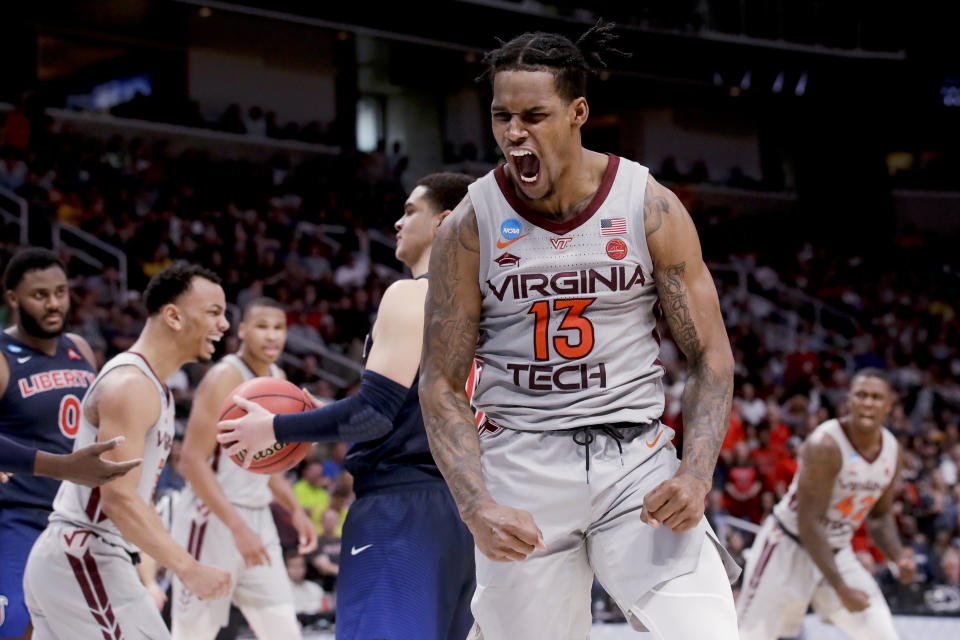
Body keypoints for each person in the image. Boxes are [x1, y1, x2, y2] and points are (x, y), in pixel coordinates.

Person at [416, 22, 740, 640]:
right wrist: (475, 503)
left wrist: (696, 475)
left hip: (635, 463)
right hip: (520, 466)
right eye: (501, 116)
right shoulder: (469, 225)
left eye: (533, 115)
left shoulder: (649, 206)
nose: (514, 133)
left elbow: (709, 359)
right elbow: (439, 382)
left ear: (577, 112)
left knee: (707, 631)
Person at [218, 172, 477, 640]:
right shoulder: (488, 305)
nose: (398, 223)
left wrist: (277, 427)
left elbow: (372, 414)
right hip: (469, 514)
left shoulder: (412, 293)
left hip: (402, 512)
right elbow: (413, 407)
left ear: (443, 223)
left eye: (410, 211)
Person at [22, 262, 233, 639]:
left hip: (81, 556)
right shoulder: (132, 386)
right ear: (172, 315)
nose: (224, 325)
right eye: (214, 313)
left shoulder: (156, 390)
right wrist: (187, 568)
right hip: (84, 553)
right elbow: (118, 500)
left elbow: (136, 500)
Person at [171, 297, 317, 640]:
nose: (271, 336)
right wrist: (237, 527)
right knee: (192, 634)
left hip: (258, 518)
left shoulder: (279, 378)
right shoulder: (225, 376)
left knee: (284, 630)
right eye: (262, 326)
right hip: (213, 518)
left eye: (278, 328)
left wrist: (295, 509)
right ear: (241, 331)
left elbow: (267, 466)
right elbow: (191, 462)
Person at [737, 369, 916, 640]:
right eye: (862, 395)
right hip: (787, 547)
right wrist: (841, 589)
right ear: (850, 401)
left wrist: (898, 557)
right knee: (748, 636)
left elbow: (880, 517)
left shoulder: (892, 450)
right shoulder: (826, 444)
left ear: (890, 404)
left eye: (877, 397)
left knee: (882, 633)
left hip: (835, 552)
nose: (868, 402)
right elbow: (809, 524)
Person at [0, 247, 111, 640]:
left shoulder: (78, 348)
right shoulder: (3, 356)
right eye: (40, 294)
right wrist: (64, 466)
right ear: (12, 299)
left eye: (60, 292)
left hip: (78, 517)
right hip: (18, 515)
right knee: (15, 627)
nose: (53, 304)